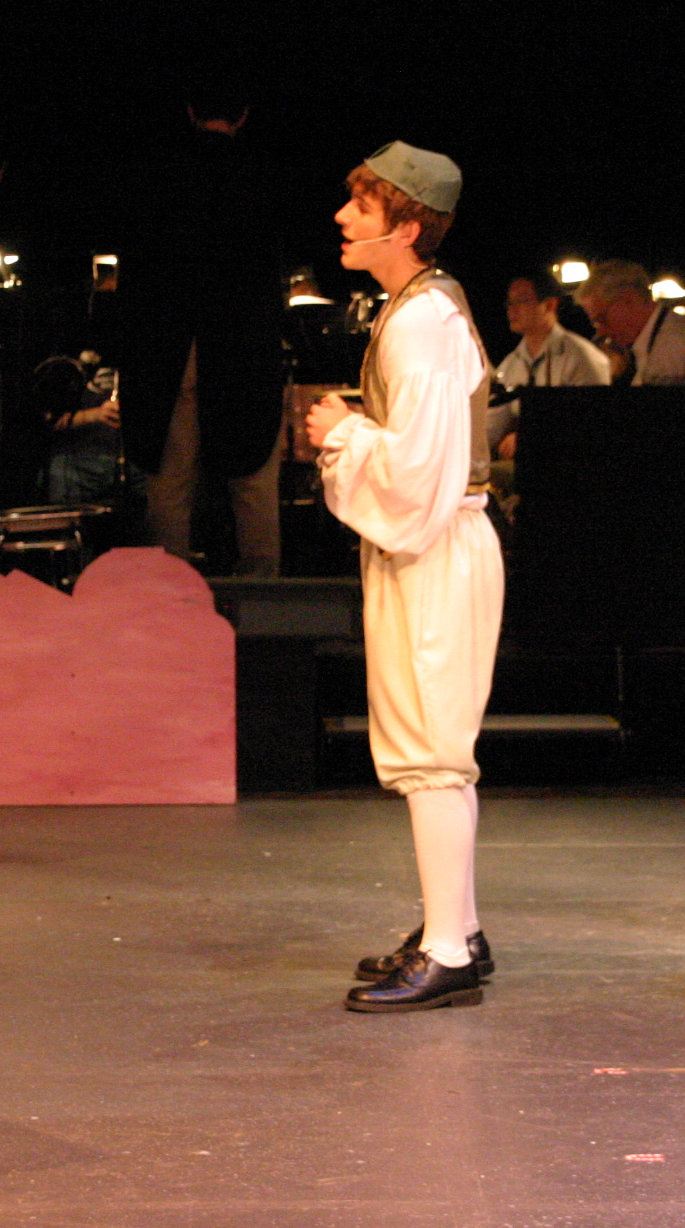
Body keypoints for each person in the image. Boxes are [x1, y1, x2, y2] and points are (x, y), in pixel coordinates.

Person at [305, 141, 503, 1013]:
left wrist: (343, 431)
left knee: (432, 750)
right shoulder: (417, 309)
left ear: (407, 224)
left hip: (437, 544)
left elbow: (422, 472)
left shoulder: (422, 321)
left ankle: (449, 951)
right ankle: (455, 929)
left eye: (362, 205)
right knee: (430, 744)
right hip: (434, 544)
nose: (343, 218)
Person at [115, 84, 286, 577]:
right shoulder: (261, 175)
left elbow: (135, 277)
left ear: (190, 111)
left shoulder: (156, 173)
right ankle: (264, 604)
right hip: (243, 349)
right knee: (253, 482)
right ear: (244, 115)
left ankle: (170, 603)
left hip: (172, 348)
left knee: (171, 484)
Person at [487, 269, 611, 457]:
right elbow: (492, 424)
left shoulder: (581, 357)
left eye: (522, 301)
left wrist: (530, 437)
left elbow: (592, 420)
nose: (512, 310)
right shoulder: (511, 364)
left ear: (549, 305)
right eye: (510, 303)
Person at [575, 259, 685, 387]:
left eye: (602, 319)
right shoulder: (657, 333)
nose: (601, 332)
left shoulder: (674, 342)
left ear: (629, 301)